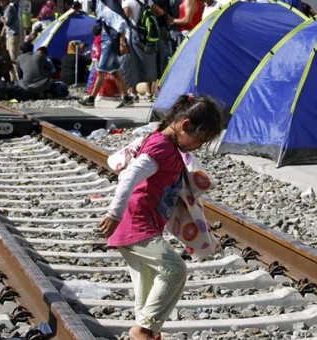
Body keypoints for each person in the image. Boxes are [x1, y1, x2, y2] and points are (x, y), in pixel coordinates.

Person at [97, 94, 224, 340]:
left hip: (145, 224)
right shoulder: (161, 147)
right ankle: (143, 329)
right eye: (201, 139)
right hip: (136, 223)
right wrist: (114, 213)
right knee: (175, 269)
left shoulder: (167, 147)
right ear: (185, 125)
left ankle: (148, 331)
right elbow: (128, 176)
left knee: (147, 280)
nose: (199, 146)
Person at [77, 0, 133, 107]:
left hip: (110, 40)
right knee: (115, 71)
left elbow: (121, 21)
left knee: (101, 71)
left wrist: (122, 41)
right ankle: (126, 97)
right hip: (107, 38)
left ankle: (91, 98)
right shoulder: (101, 3)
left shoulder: (109, 3)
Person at [0, 0, 21, 81]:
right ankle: (13, 77)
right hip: (9, 35)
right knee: (9, 57)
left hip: (13, 35)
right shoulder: (7, 9)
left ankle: (17, 78)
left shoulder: (10, 8)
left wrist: (2, 19)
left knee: (13, 57)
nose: (0, 2)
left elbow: (6, 22)